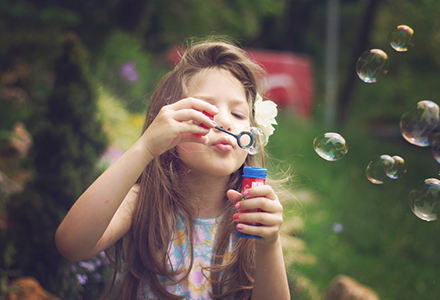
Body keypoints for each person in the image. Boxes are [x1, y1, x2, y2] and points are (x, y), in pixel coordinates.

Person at [55, 38, 290, 300]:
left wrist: (270, 244)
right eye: (206, 110)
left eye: (238, 114)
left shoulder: (249, 217)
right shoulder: (144, 201)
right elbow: (71, 244)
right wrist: (145, 148)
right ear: (168, 124)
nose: (225, 120)